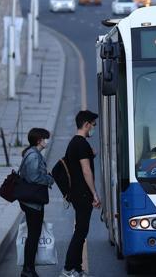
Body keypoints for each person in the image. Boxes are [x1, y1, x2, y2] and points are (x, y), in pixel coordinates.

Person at [61, 110, 100, 277]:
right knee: (80, 232)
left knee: (81, 231)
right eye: (93, 125)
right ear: (86, 124)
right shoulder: (81, 144)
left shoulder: (74, 143)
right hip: (83, 194)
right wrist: (95, 194)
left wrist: (91, 154)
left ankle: (76, 268)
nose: (94, 128)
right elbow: (86, 171)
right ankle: (68, 268)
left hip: (76, 194)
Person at [18, 128, 54, 277]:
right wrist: (49, 179)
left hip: (31, 201)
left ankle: (29, 268)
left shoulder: (32, 153)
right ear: (39, 140)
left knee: (33, 235)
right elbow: (33, 177)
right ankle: (28, 269)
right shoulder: (33, 155)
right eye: (45, 139)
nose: (46, 141)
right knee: (33, 236)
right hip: (33, 202)